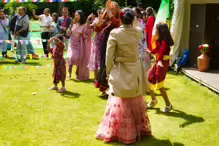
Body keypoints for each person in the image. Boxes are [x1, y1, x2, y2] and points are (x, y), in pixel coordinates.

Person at [96, 8, 151, 144]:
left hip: (120, 68)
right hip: (135, 68)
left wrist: (108, 71)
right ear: (133, 19)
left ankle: (119, 131)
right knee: (134, 98)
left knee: (120, 99)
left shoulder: (115, 33)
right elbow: (137, 25)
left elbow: (109, 55)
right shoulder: (138, 31)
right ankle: (138, 129)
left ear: (120, 19)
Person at [145, 23, 174, 112]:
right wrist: (150, 51)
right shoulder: (159, 40)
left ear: (160, 31)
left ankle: (168, 105)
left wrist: (160, 61)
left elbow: (161, 52)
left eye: (156, 30)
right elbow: (157, 50)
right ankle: (154, 100)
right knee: (149, 79)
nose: (155, 32)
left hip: (162, 63)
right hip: (159, 62)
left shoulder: (164, 42)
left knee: (160, 84)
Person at [97, 0, 121, 97]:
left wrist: (108, 11)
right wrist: (100, 20)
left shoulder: (120, 19)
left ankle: (112, 88)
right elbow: (97, 29)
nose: (112, 11)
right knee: (104, 65)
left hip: (116, 45)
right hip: (106, 44)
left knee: (112, 66)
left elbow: (115, 23)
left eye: (113, 9)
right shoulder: (106, 19)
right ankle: (104, 89)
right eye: (110, 9)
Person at [67, 10, 90, 80]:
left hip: (80, 45)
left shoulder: (85, 25)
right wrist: (71, 25)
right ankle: (69, 72)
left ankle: (77, 73)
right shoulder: (73, 24)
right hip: (72, 44)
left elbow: (87, 37)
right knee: (71, 57)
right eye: (75, 15)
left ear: (81, 16)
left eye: (77, 15)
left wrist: (82, 34)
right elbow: (68, 34)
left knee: (78, 59)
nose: (76, 17)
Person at [87, 9, 105, 86]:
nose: (102, 14)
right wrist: (88, 19)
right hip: (97, 41)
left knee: (102, 61)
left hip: (104, 41)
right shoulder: (96, 20)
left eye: (103, 13)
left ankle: (102, 79)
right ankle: (96, 79)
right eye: (101, 13)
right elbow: (88, 27)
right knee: (95, 60)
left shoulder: (107, 21)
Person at [133, 7, 151, 73]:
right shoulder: (131, 22)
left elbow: (144, 33)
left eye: (134, 12)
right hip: (135, 44)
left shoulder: (141, 21)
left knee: (144, 63)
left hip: (142, 43)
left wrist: (143, 43)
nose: (133, 13)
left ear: (137, 13)